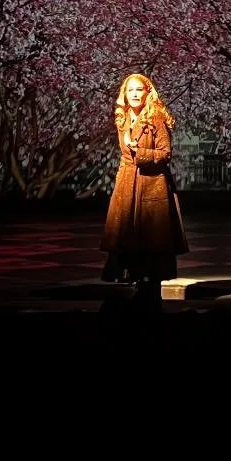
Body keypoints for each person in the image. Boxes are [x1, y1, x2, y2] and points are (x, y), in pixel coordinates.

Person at [100, 72, 188, 300]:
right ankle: (134, 281)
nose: (135, 94)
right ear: (124, 95)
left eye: (139, 89)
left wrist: (139, 152)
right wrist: (120, 183)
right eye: (130, 90)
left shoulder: (156, 118)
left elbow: (165, 153)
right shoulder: (122, 119)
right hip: (128, 185)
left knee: (151, 240)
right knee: (127, 236)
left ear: (147, 92)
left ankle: (150, 287)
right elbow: (123, 155)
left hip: (152, 186)